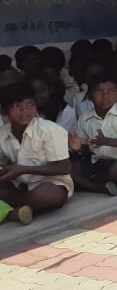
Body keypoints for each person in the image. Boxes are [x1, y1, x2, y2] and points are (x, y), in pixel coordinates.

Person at [0, 82, 73, 225]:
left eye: (30, 104)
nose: (25, 110)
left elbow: (64, 167)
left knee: (47, 194)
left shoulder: (49, 130)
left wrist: (23, 169)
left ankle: (11, 210)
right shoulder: (2, 135)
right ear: (3, 111)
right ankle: (20, 210)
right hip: (19, 186)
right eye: (17, 106)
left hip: (51, 183)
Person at [69, 72, 117, 196]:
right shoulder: (84, 118)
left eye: (111, 91)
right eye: (99, 92)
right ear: (90, 96)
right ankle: (100, 187)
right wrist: (78, 149)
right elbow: (88, 150)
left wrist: (106, 141)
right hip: (99, 163)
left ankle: (90, 183)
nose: (105, 96)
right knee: (69, 168)